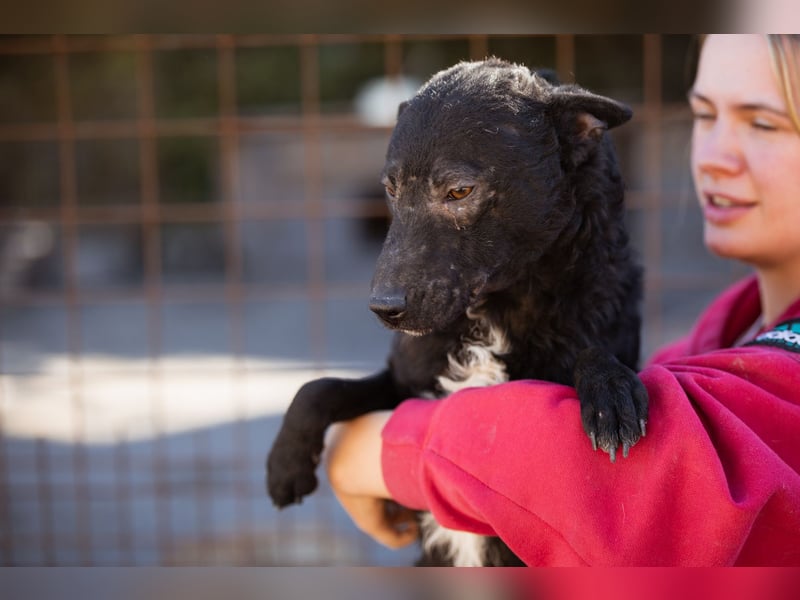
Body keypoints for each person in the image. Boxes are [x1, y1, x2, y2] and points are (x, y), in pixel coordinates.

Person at [323, 34, 800, 566]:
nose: (714, 158)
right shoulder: (714, 339)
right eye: (704, 115)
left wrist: (376, 449)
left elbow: (631, 494)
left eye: (764, 124)